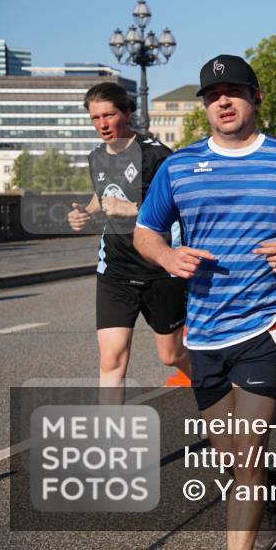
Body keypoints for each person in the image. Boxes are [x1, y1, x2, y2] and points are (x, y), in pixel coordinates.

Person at [135, 54, 276, 550]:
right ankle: (269, 491)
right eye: (211, 95)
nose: (221, 101)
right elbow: (146, 231)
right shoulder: (180, 165)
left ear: (255, 98)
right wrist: (167, 257)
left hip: (268, 324)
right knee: (231, 456)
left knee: (246, 454)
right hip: (204, 330)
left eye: (232, 91)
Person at [67, 81, 189, 405]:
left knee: (172, 355)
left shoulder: (156, 155)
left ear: (128, 113)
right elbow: (103, 193)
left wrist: (131, 208)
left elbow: (179, 206)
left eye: (109, 115)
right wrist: (85, 212)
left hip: (160, 269)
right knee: (111, 360)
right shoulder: (96, 157)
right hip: (116, 272)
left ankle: (217, 386)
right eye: (95, 118)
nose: (102, 124)